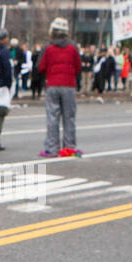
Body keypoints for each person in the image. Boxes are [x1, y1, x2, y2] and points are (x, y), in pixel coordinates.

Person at [38, 17, 83, 157]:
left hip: (52, 84)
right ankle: (69, 148)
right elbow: (78, 67)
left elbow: (40, 67)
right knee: (69, 117)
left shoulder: (48, 48)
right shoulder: (72, 47)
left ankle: (52, 148)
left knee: (52, 117)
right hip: (68, 85)